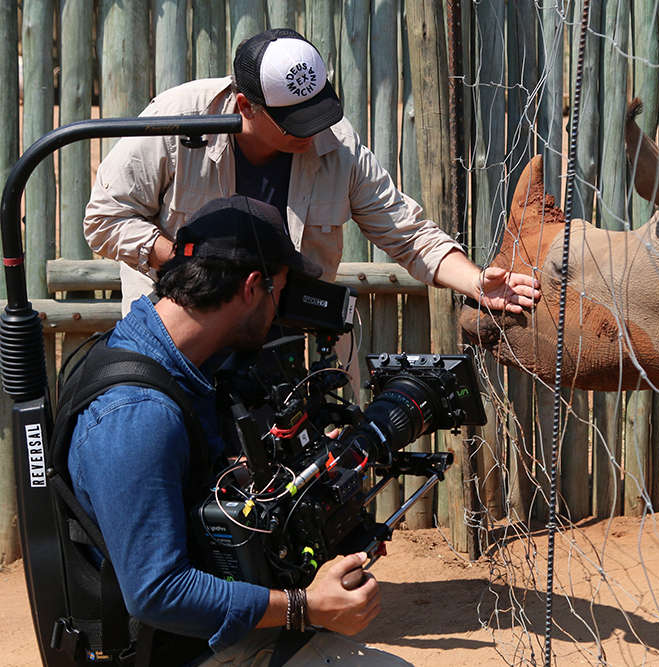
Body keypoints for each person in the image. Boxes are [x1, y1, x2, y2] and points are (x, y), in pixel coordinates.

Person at [67, 195, 407, 667]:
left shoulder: (179, 361)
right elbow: (157, 592)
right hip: (170, 650)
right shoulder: (137, 414)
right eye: (279, 292)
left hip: (199, 629)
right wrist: (304, 606)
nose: (279, 312)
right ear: (251, 287)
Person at [84, 27, 540, 316]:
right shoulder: (179, 119)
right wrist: (189, 263)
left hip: (285, 330)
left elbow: (408, 232)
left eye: (319, 110)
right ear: (246, 106)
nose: (314, 130)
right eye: (295, 121)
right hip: (179, 325)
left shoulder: (336, 142)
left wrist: (477, 282)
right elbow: (103, 219)